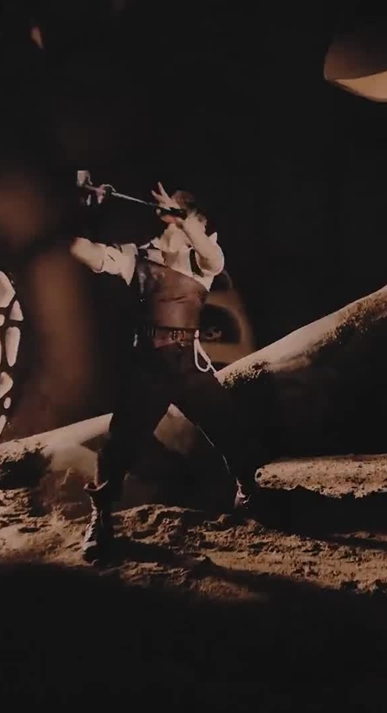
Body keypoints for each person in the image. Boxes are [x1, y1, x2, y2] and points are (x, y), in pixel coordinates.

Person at [69, 182, 264, 561]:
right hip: (147, 367)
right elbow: (82, 251)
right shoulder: (137, 256)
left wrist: (184, 219)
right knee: (118, 447)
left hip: (189, 366)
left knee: (228, 427)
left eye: (191, 217)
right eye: (179, 214)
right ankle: (101, 518)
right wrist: (83, 209)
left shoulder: (202, 260)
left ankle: (248, 490)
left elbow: (214, 258)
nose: (184, 221)